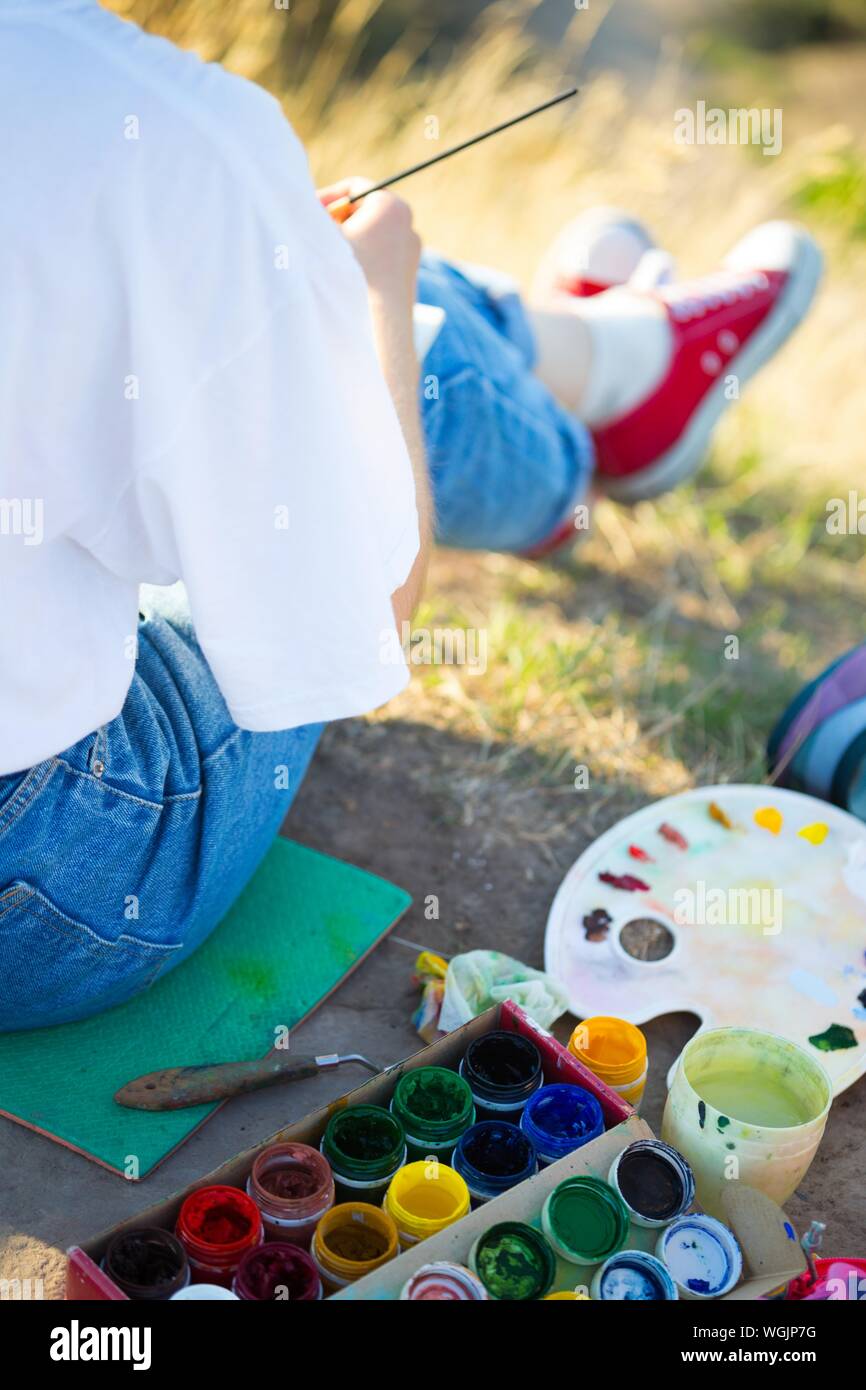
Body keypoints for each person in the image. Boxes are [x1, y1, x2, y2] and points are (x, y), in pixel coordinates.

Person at [0, 0, 821, 1030]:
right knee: (364, 321)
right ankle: (603, 408)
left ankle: (596, 357)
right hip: (49, 880)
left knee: (284, 284)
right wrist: (377, 299)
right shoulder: (151, 123)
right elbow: (358, 610)